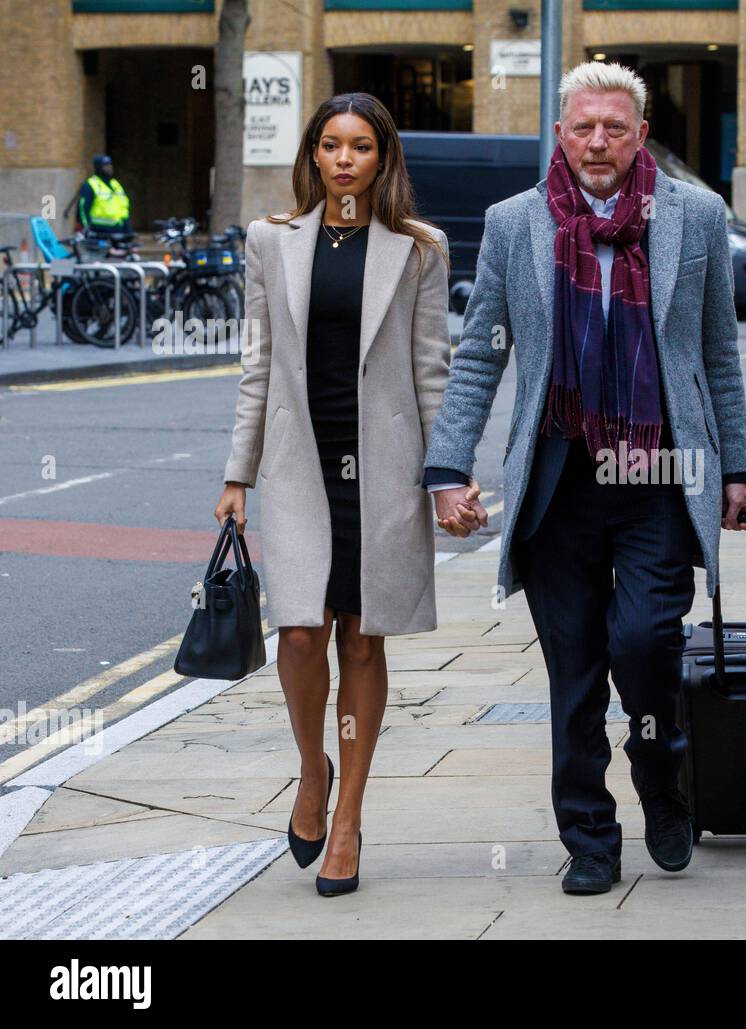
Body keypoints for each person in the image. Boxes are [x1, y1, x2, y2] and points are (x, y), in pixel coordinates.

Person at [424, 61, 746, 896]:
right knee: (573, 676)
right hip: (559, 478)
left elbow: (717, 351)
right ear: (561, 134)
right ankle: (591, 839)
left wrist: (738, 472)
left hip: (659, 475)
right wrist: (446, 467)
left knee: (646, 647)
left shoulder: (696, 216)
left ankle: (665, 784)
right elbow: (480, 354)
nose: (598, 142)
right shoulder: (515, 223)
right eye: (583, 127)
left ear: (641, 135)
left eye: (615, 127)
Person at [216, 93, 452, 897]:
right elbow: (257, 365)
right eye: (330, 145)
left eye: (360, 146)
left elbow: (431, 374)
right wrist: (236, 474)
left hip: (380, 470)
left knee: (361, 639)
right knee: (299, 635)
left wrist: (448, 475)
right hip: (295, 467)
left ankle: (346, 813)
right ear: (313, 156)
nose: (344, 159)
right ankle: (309, 772)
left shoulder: (420, 248)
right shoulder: (269, 241)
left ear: (383, 158)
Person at [73, 155, 132, 237]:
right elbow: (83, 208)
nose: (109, 168)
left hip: (118, 230)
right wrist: (86, 228)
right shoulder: (91, 184)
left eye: (110, 165)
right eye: (106, 165)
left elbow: (124, 210)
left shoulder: (116, 185)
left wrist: (128, 231)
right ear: (98, 168)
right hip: (99, 231)